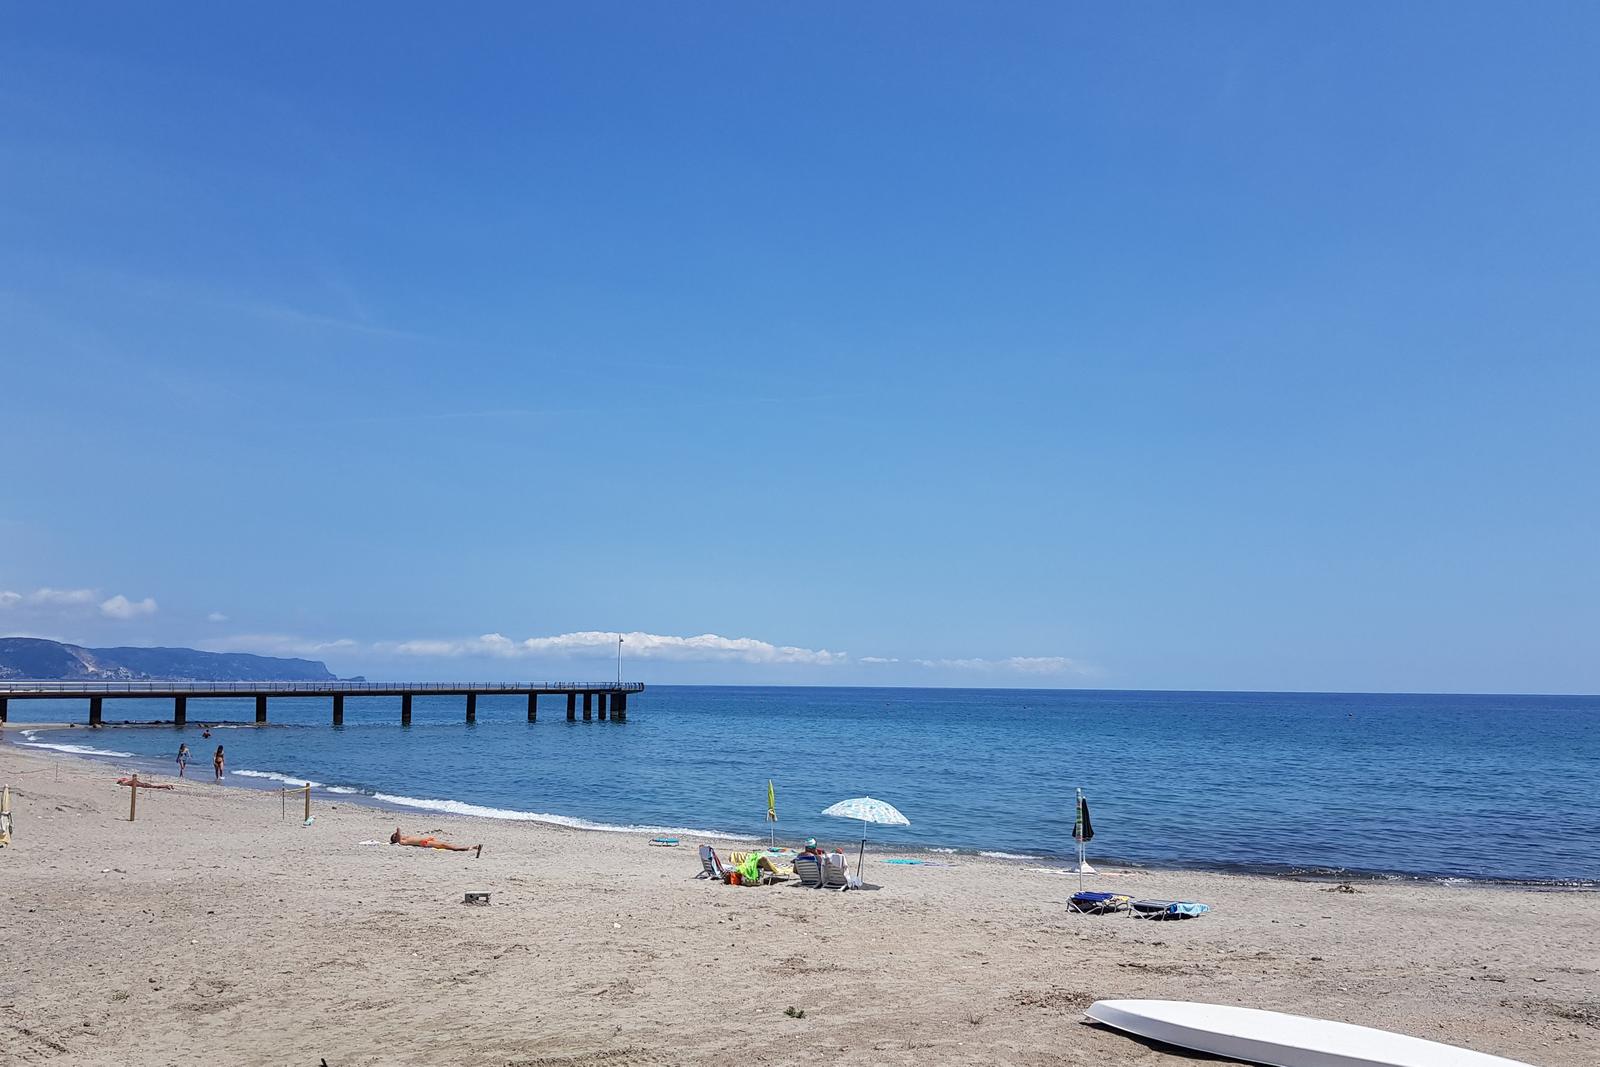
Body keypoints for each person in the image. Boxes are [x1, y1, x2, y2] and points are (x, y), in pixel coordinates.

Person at [390, 828, 482, 858]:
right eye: (395, 836)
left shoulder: (404, 839)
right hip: (426, 843)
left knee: (446, 845)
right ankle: (473, 848)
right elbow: (398, 832)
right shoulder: (402, 841)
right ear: (395, 839)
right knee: (447, 846)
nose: (397, 835)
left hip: (427, 841)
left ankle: (473, 848)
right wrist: (396, 832)